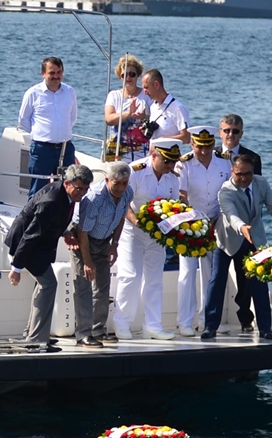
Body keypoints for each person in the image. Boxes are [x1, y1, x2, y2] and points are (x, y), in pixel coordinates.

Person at [201, 153, 272, 341]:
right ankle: (210, 326)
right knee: (217, 281)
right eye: (239, 174)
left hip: (255, 238)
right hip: (228, 239)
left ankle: (265, 328)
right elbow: (231, 214)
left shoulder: (261, 183)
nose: (243, 178)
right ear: (232, 172)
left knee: (259, 283)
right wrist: (242, 227)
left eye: (248, 174)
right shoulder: (226, 191)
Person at [5, 164, 93, 344]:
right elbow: (30, 235)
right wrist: (16, 267)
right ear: (67, 183)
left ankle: (33, 333)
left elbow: (55, 220)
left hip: (39, 245)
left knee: (45, 285)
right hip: (27, 244)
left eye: (85, 189)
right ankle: (36, 338)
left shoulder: (65, 194)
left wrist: (65, 232)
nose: (82, 193)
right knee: (48, 284)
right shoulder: (52, 201)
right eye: (79, 188)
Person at [111, 137, 183, 341]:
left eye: (173, 161)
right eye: (167, 161)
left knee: (154, 279)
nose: (170, 165)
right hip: (132, 231)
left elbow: (174, 206)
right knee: (130, 275)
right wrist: (137, 223)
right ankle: (122, 323)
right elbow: (123, 202)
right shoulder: (135, 171)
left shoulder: (172, 178)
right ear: (154, 156)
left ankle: (153, 325)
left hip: (158, 234)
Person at [175, 126, 232, 336]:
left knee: (211, 274)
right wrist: (192, 223)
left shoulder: (224, 162)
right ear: (192, 144)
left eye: (208, 146)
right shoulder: (185, 164)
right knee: (188, 273)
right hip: (191, 225)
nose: (205, 151)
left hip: (216, 223)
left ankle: (208, 320)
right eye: (200, 146)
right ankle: (184, 322)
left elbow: (228, 191)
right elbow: (181, 195)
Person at [70, 160, 133, 346]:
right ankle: (83, 334)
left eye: (124, 183)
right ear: (107, 180)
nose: (121, 188)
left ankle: (98, 330)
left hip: (105, 241)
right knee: (83, 288)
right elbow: (82, 232)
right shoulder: (94, 198)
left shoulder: (127, 193)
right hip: (83, 241)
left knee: (102, 288)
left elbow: (121, 218)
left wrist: (114, 244)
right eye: (117, 183)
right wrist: (87, 262)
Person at [216, 113, 262, 330]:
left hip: (244, 226)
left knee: (245, 277)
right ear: (220, 133)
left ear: (241, 133)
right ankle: (210, 322)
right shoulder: (210, 153)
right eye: (226, 130)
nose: (230, 135)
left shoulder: (253, 158)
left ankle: (246, 319)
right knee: (215, 276)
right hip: (217, 224)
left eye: (235, 131)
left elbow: (255, 192)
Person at [18, 56, 78, 197]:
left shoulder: (70, 92)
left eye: (59, 72)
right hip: (41, 151)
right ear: (43, 73)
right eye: (52, 73)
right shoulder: (32, 93)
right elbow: (23, 120)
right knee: (37, 192)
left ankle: (62, 219)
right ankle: (34, 219)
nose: (56, 76)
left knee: (67, 190)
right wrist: (42, 134)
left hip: (65, 149)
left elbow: (72, 117)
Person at [104, 54, 153, 161]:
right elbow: (109, 119)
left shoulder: (146, 95)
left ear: (138, 75)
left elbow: (156, 118)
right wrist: (128, 113)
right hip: (117, 151)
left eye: (132, 74)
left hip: (141, 151)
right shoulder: (114, 95)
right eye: (124, 75)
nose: (128, 78)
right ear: (120, 76)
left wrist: (144, 116)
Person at [140, 68, 190, 145]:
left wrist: (164, 140)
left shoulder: (177, 107)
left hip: (169, 155)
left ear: (156, 85)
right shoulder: (153, 106)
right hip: (153, 154)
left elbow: (186, 138)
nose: (145, 92)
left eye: (146, 87)